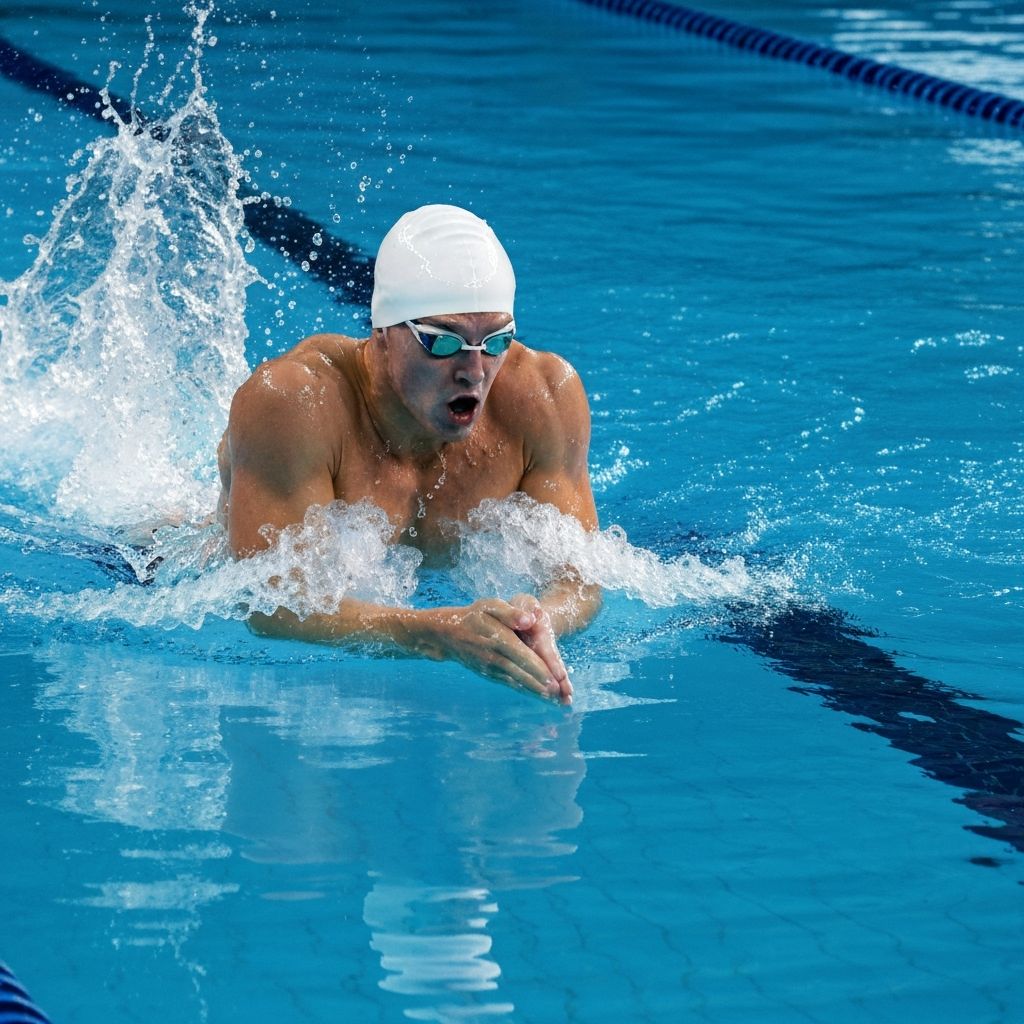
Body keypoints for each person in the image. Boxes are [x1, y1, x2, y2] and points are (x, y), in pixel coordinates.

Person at [217, 204, 600, 704]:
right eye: (443, 343)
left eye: (496, 341)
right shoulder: (296, 403)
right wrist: (432, 633)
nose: (475, 371)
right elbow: (271, 605)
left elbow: (581, 579)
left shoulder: (545, 397)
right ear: (382, 330)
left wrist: (540, 619)